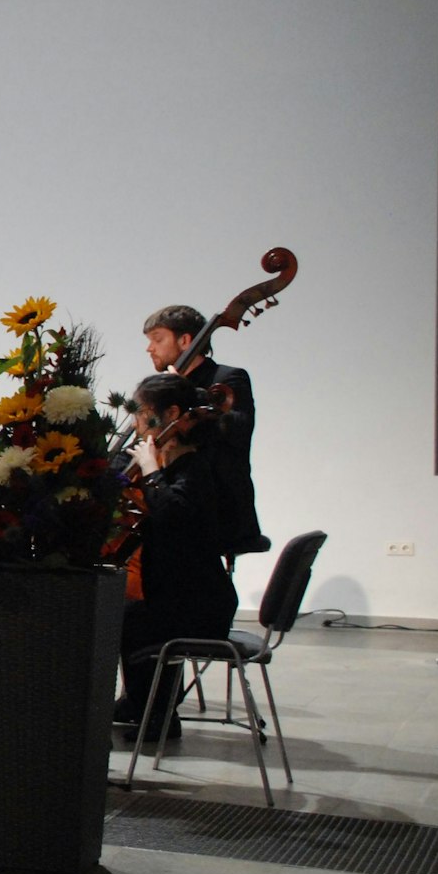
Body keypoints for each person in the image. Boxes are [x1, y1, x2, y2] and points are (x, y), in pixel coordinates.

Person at [112, 373, 239, 742]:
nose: (136, 423)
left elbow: (174, 516)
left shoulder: (197, 467)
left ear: (172, 413)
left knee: (127, 616)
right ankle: (143, 704)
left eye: (142, 413)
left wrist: (151, 471)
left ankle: (154, 711)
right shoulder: (173, 466)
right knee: (125, 609)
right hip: (180, 598)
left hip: (201, 608)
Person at [142, 305, 264, 560]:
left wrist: (184, 390)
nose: (149, 348)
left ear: (185, 340)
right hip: (178, 499)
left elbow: (238, 428)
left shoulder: (228, 379)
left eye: (157, 339)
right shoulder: (161, 389)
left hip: (218, 507)